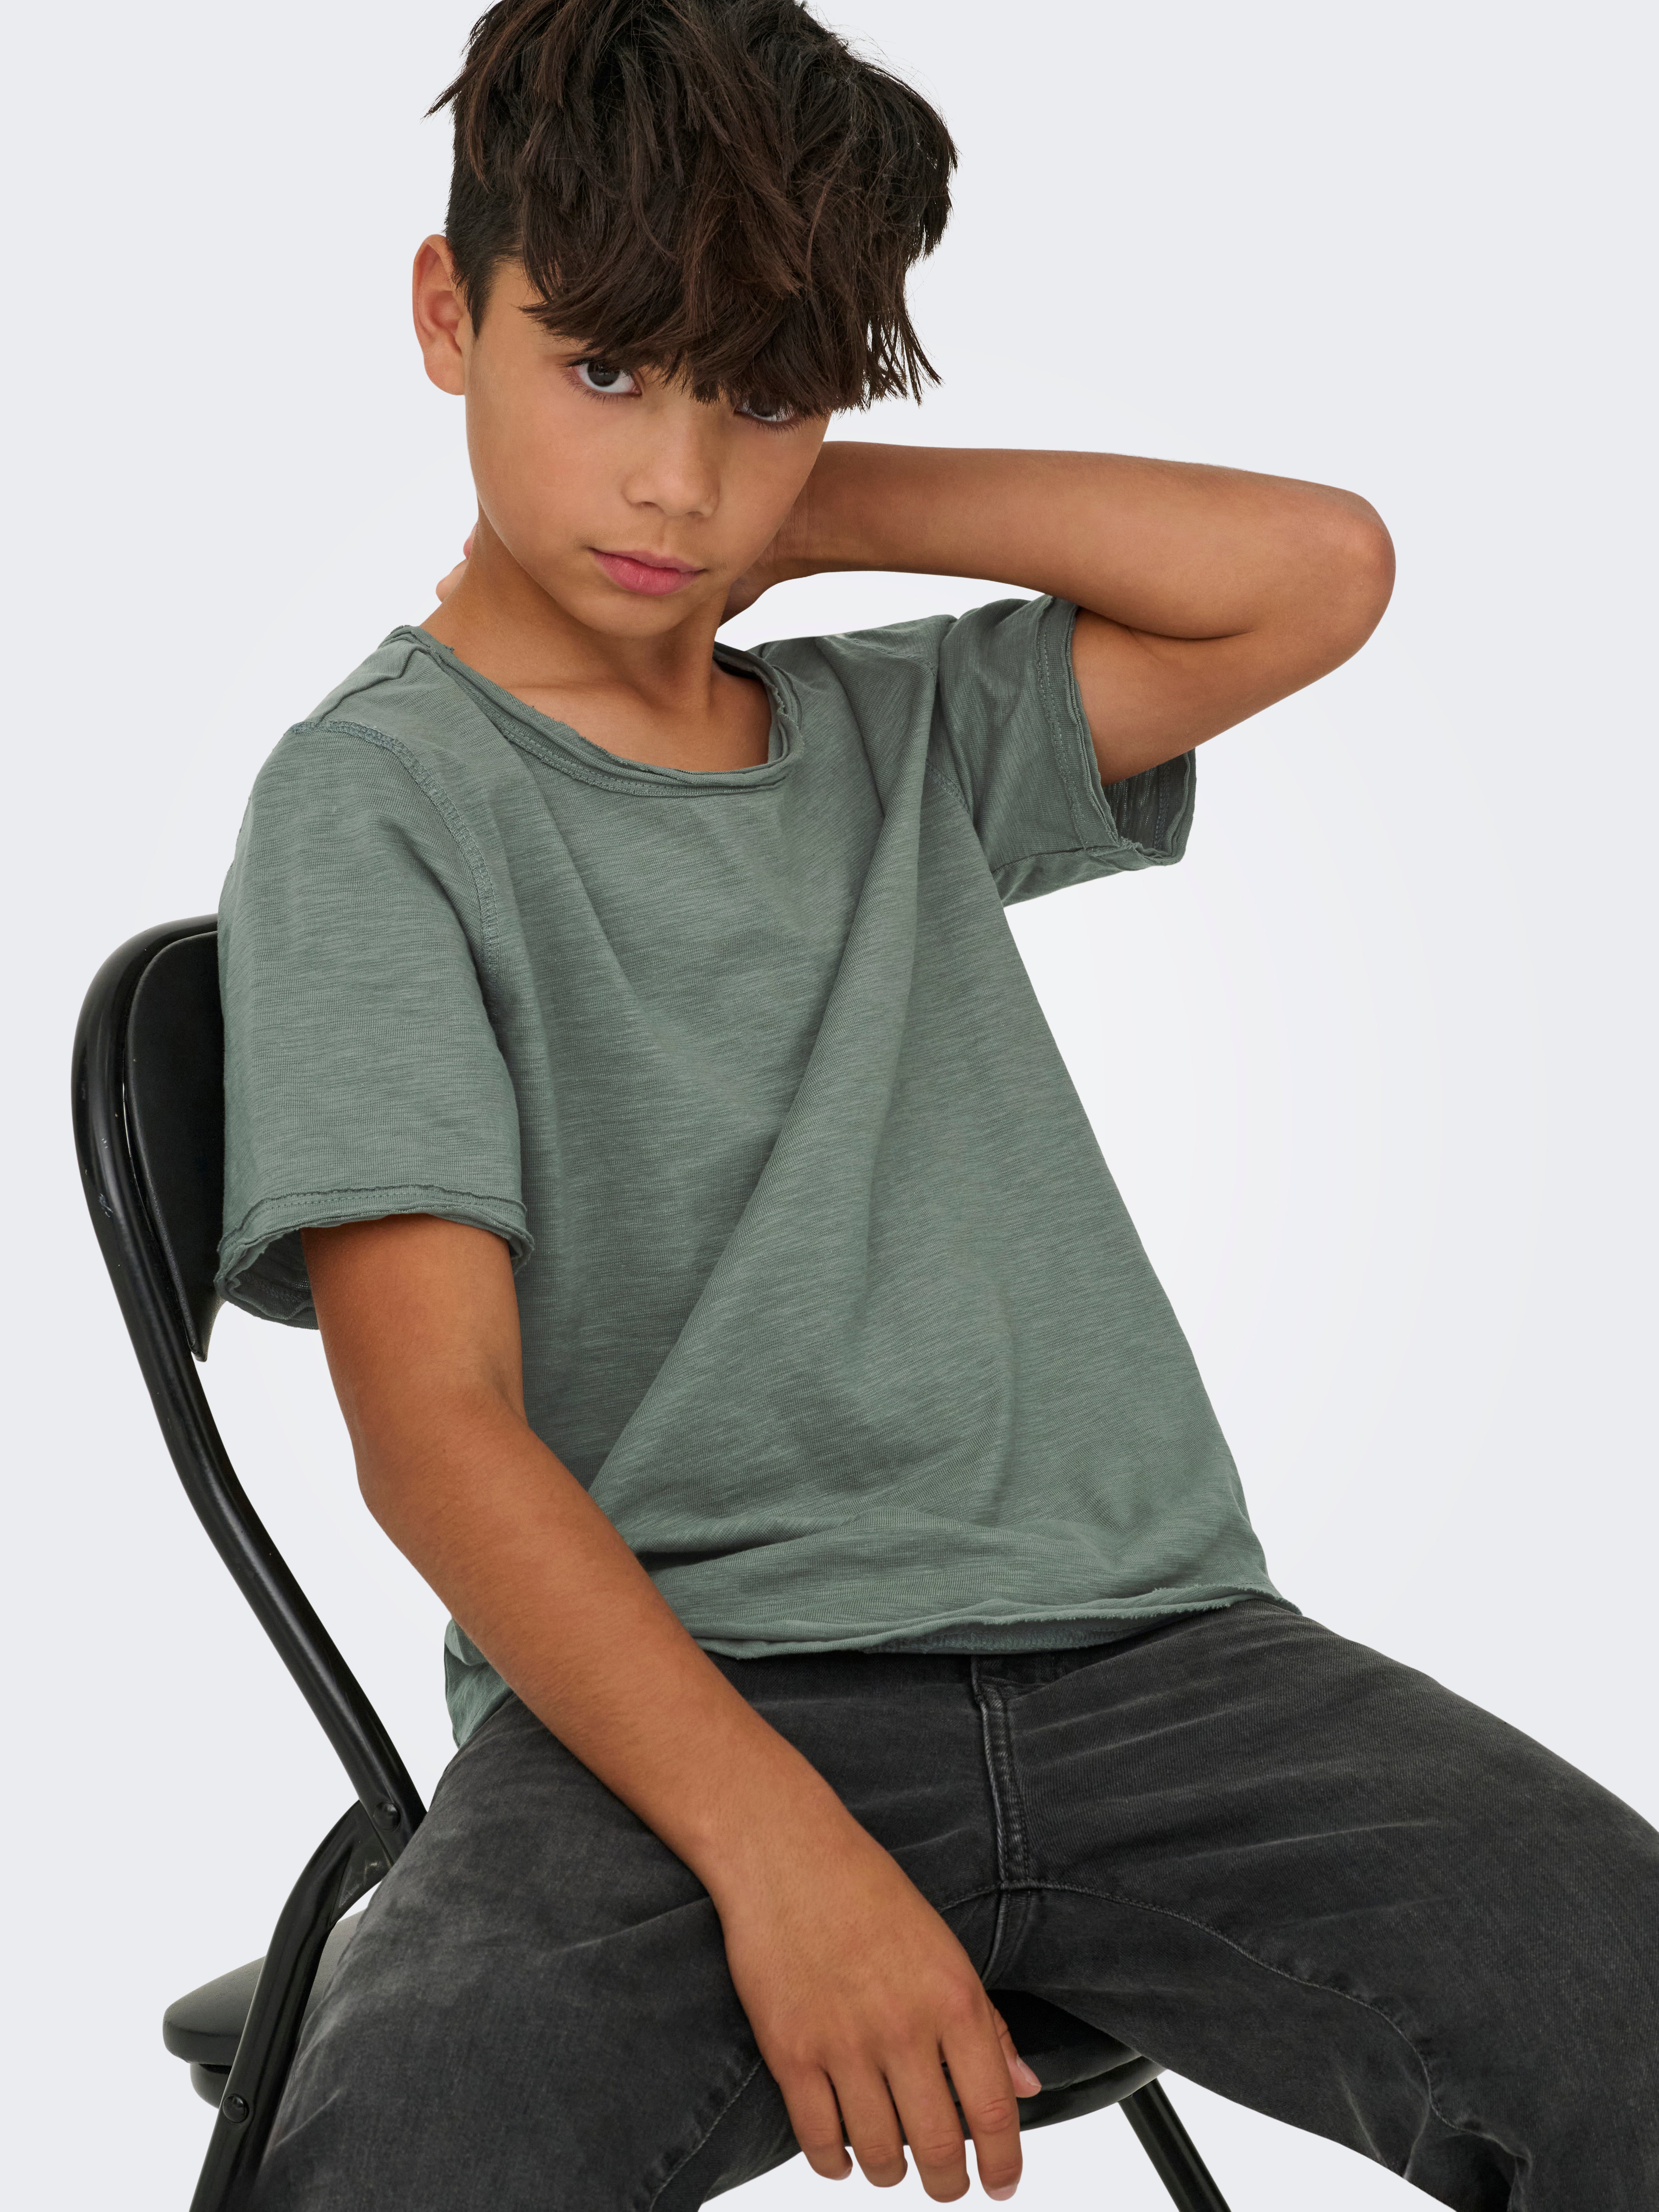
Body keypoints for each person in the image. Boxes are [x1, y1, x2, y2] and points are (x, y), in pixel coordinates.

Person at [216, 2, 1659, 2205]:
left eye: (757, 394)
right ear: (446, 313)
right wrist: (783, 1851)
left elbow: (1320, 571)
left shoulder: (900, 736)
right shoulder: (378, 806)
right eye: (605, 370)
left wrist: (816, 511)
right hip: (672, 1716)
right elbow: (436, 1426)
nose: (675, 482)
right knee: (416, 2149)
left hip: (1157, 1660)